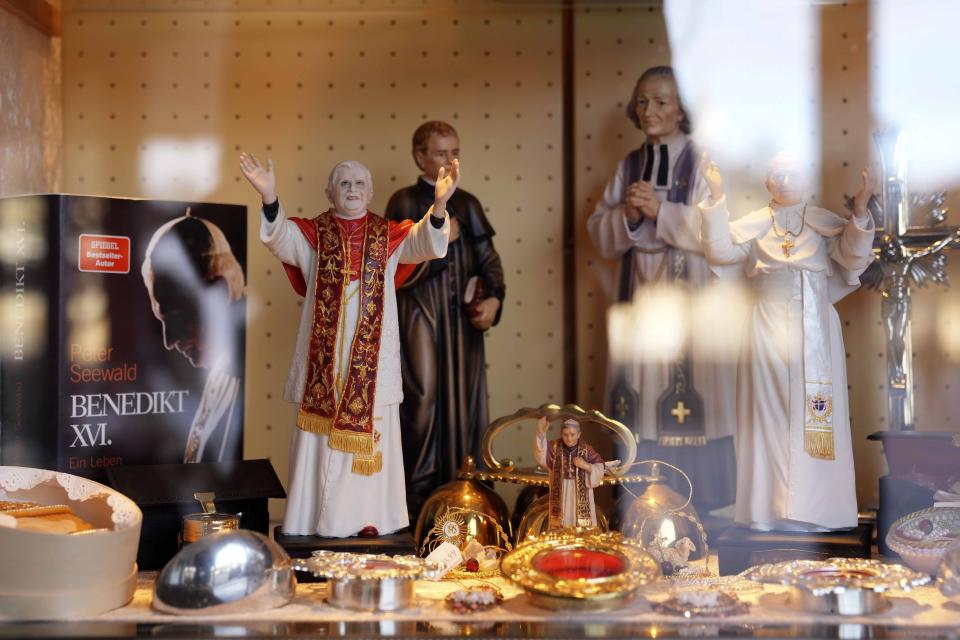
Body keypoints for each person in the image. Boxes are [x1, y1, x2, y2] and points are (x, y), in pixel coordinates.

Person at [239, 151, 457, 538]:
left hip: (373, 369)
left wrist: (439, 203)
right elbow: (279, 238)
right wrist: (270, 197)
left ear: (371, 192)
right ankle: (314, 520)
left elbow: (427, 240)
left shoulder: (390, 236)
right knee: (319, 444)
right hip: (326, 367)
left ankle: (372, 519)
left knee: (371, 446)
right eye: (344, 183)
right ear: (329, 192)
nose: (352, 189)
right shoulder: (312, 236)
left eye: (359, 183)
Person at [586, 66, 737, 511]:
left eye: (661, 102)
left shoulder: (705, 160)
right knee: (641, 396)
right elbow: (598, 232)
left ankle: (704, 502)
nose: (649, 111)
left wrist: (662, 210)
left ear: (682, 110)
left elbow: (724, 232)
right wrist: (629, 218)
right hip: (640, 294)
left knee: (693, 391)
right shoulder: (628, 165)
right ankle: (639, 501)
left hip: (690, 297)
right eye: (642, 102)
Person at [698, 151, 874, 531]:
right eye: (779, 172)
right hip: (766, 327)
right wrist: (715, 197)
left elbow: (854, 256)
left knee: (815, 415)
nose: (787, 179)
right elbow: (720, 250)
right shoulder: (756, 225)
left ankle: (819, 511)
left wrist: (860, 210)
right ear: (767, 182)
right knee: (767, 417)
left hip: (816, 328)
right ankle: (767, 510)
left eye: (795, 172)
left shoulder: (822, 224)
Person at [384, 121, 505, 520]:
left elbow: (489, 262)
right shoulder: (403, 202)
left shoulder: (467, 203)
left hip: (461, 322)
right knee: (422, 398)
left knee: (465, 400)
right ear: (419, 155)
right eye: (440, 153)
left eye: (455, 152)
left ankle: (468, 491)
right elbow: (391, 268)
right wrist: (440, 239)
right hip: (419, 315)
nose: (449, 161)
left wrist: (493, 301)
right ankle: (417, 500)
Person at [141, 211, 245, 463]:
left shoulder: (255, 372)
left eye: (177, 318)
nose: (169, 341)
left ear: (219, 290)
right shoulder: (207, 376)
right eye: (162, 321)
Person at [534, 417, 620, 529]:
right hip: (561, 489)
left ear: (579, 434)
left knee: (580, 526)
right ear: (561, 433)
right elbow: (542, 454)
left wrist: (585, 465)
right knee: (561, 522)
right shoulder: (555, 447)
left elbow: (599, 466)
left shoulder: (587, 450)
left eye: (572, 434)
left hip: (581, 490)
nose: (569, 439)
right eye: (565, 435)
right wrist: (541, 433)